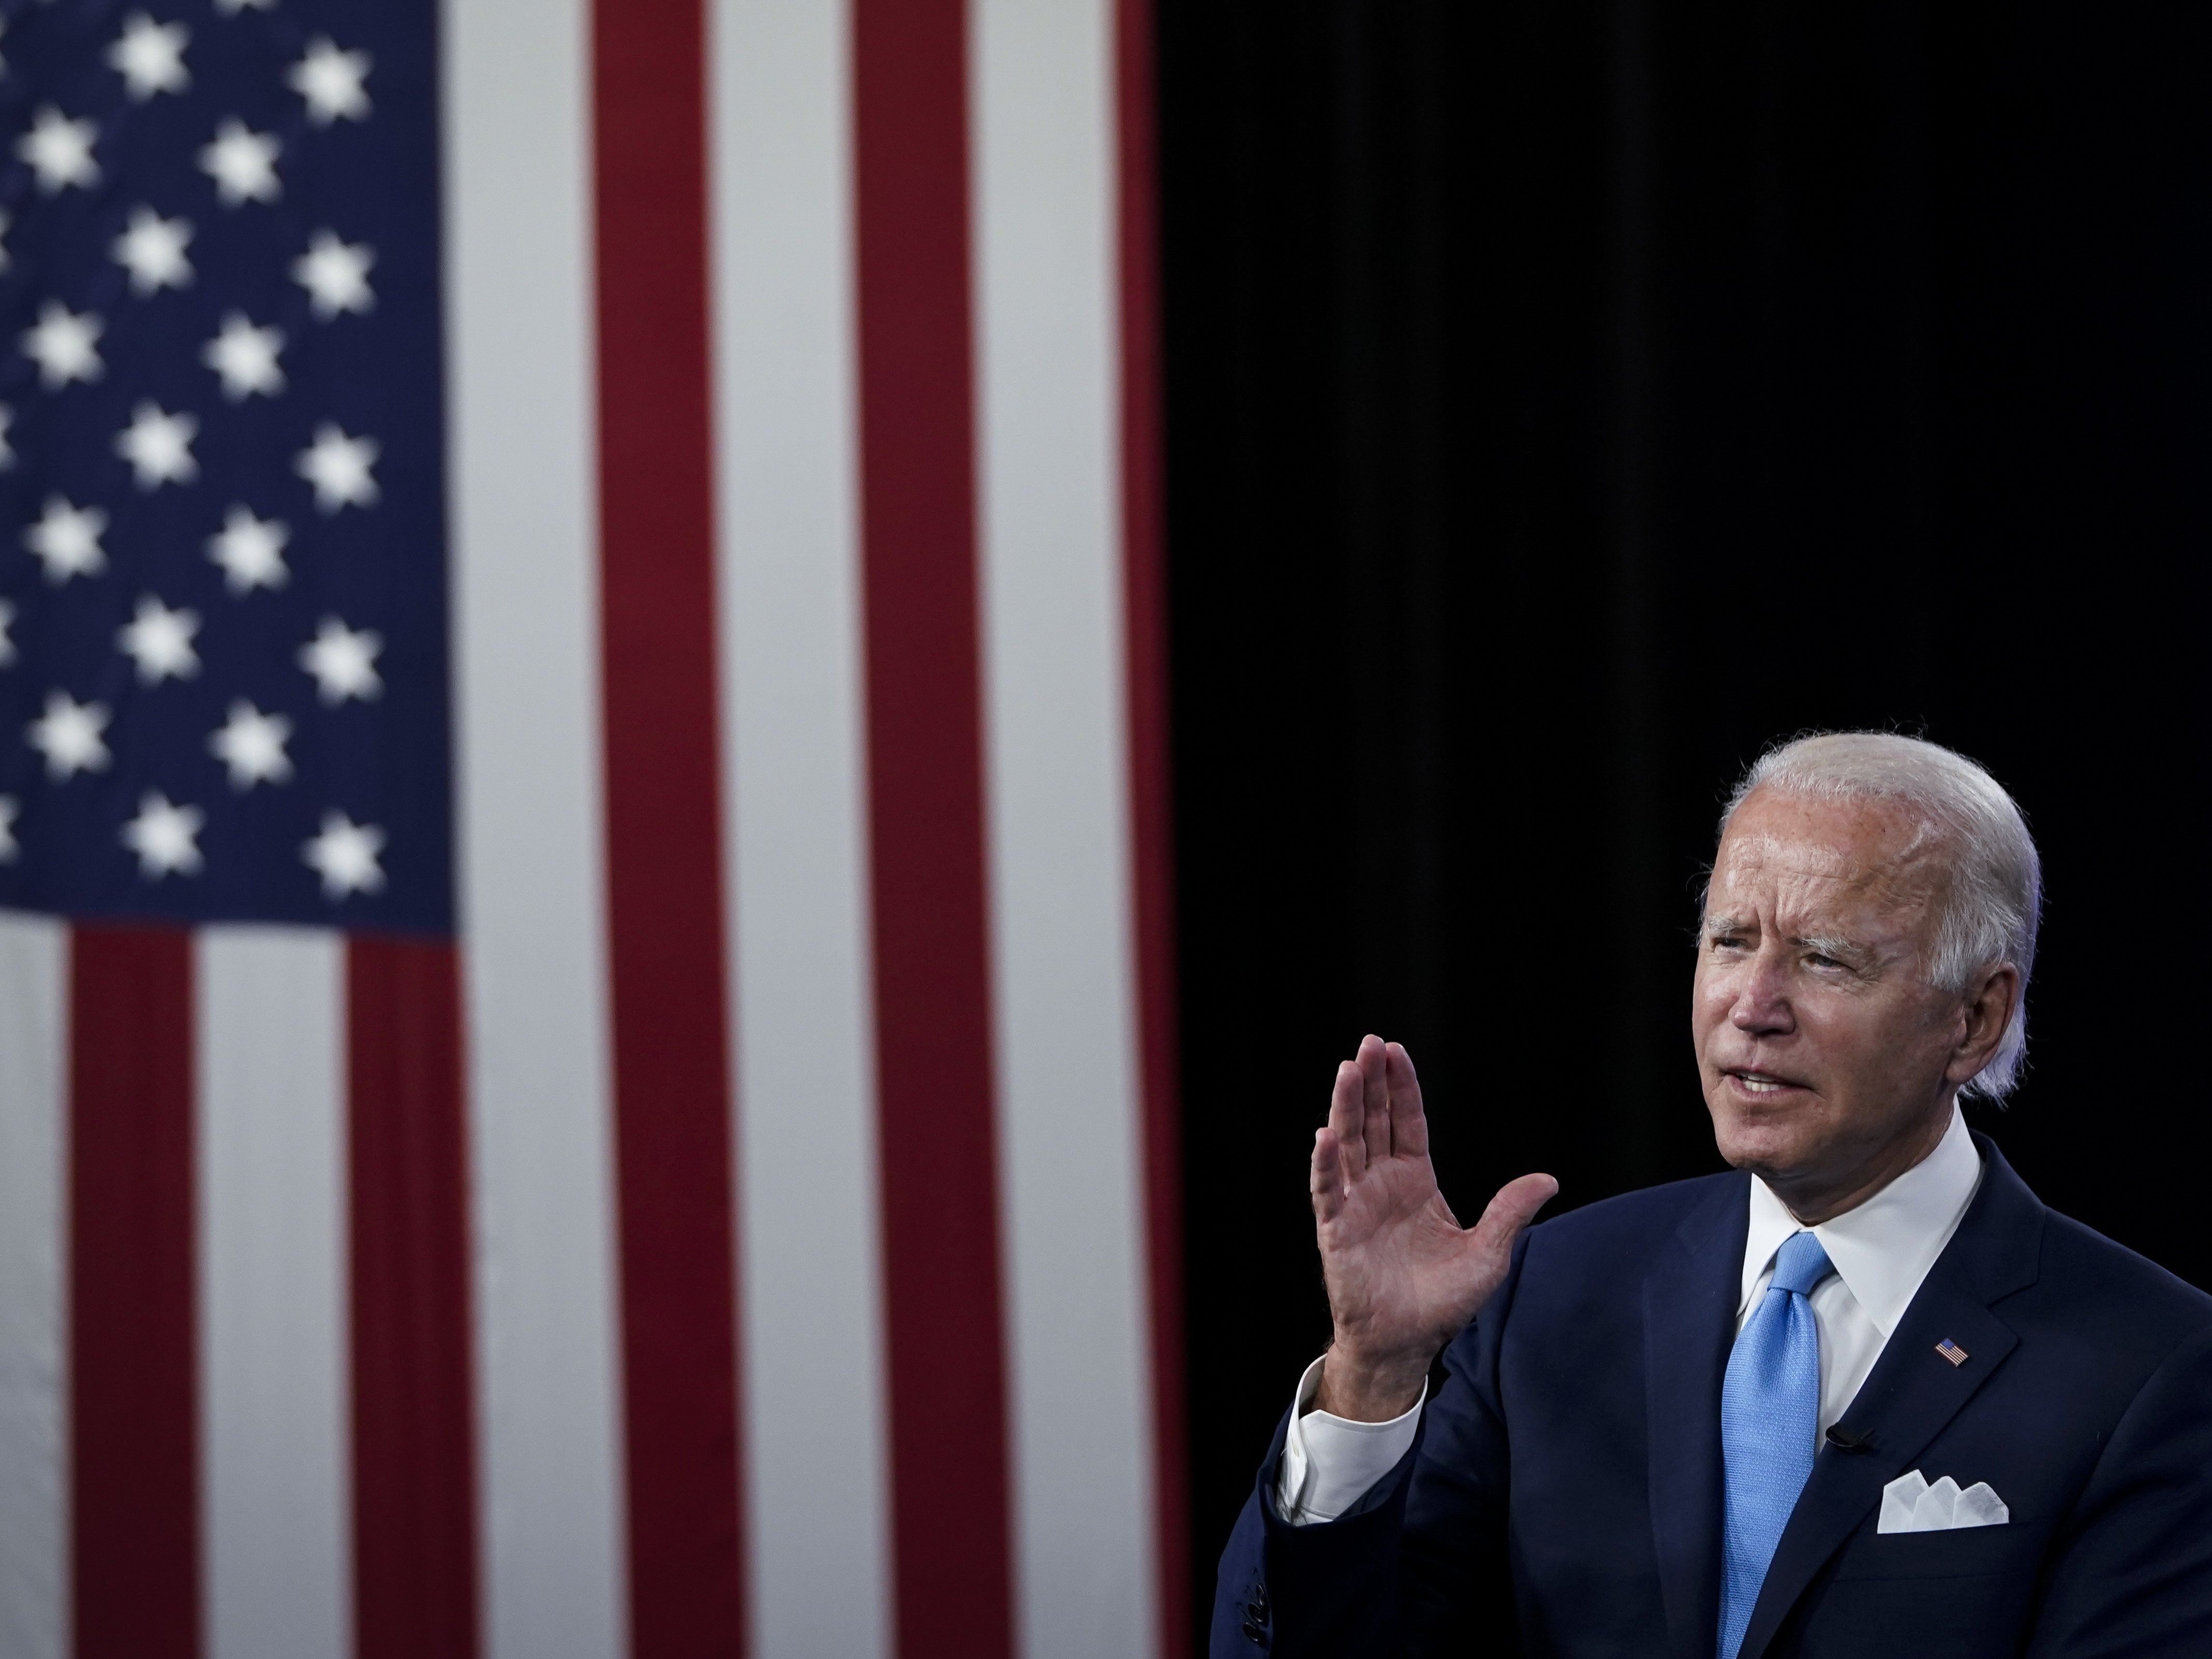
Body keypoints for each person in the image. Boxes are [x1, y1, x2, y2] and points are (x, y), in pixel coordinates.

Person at [1211, 732, 2212, 1658]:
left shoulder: (2151, 1368)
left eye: (1824, 958)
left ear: (1974, 1018)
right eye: (1731, 941)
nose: (1752, 1005)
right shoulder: (1548, 1296)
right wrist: (1373, 1376)